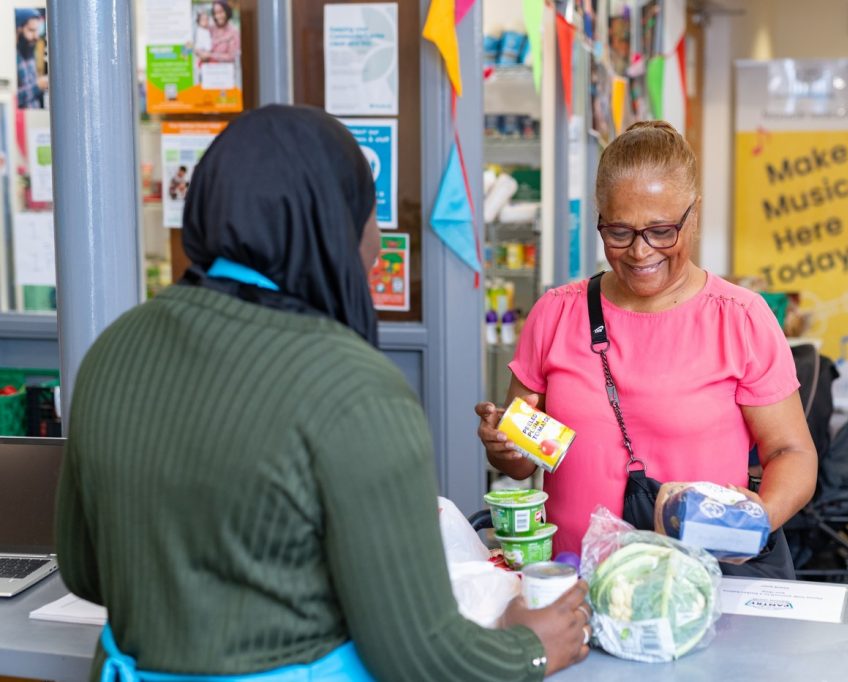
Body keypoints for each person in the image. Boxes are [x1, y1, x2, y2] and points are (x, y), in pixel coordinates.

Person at [56, 106, 590, 681]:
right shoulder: (356, 391)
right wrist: (527, 646)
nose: (378, 239)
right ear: (330, 226)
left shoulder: (116, 348)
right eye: (368, 216)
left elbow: (85, 570)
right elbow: (421, 653)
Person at [477, 120, 817, 578]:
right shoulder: (554, 315)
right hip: (573, 587)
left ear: (693, 215)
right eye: (619, 231)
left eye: (660, 231)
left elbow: (791, 452)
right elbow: (522, 461)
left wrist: (755, 521)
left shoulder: (740, 318)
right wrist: (504, 446)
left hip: (694, 586)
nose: (640, 252)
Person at [15, 9, 47, 110]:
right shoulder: (13, 58)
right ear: (18, 29)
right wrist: (38, 86)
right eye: (31, 30)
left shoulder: (30, 51)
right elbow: (15, 98)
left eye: (37, 30)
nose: (36, 36)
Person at [197, 0, 241, 65]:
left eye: (221, 12)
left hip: (225, 71)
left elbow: (231, 56)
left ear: (227, 11)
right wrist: (199, 52)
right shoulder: (210, 29)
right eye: (215, 13)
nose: (218, 16)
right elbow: (199, 44)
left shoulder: (233, 32)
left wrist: (210, 55)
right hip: (207, 70)